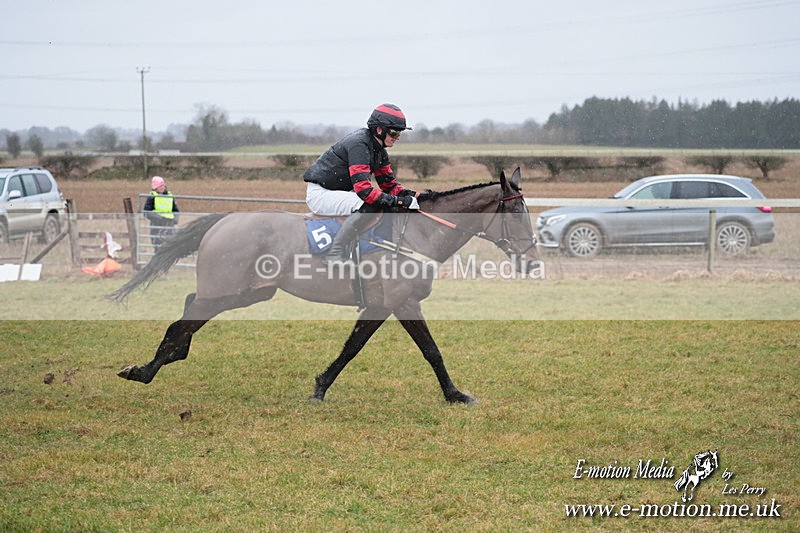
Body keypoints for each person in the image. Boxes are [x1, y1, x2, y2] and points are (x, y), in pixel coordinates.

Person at [303, 103, 419, 263]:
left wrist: (417, 197)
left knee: (379, 201)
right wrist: (400, 201)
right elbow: (364, 191)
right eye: (394, 132)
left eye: (399, 133)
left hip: (340, 192)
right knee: (369, 204)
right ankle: (335, 252)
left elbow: (390, 186)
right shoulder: (359, 145)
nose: (397, 137)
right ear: (379, 129)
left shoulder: (380, 151)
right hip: (321, 194)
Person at [143, 175, 179, 249]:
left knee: (170, 248)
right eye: (160, 186)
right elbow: (147, 212)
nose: (162, 187)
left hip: (169, 225)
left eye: (163, 185)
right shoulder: (152, 197)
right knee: (158, 247)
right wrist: (160, 219)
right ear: (155, 187)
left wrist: (175, 219)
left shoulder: (169, 196)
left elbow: (175, 210)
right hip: (157, 227)